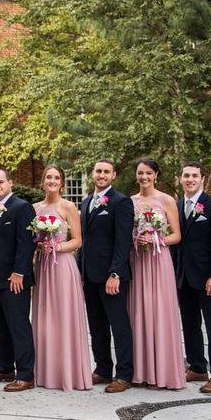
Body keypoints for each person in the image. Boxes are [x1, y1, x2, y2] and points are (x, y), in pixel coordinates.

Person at [31, 165, 92, 391]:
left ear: (62, 182)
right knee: (45, 319)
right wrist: (40, 246)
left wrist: (56, 246)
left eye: (56, 177)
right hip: (43, 268)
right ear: (42, 181)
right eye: (48, 177)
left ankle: (68, 373)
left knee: (64, 316)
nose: (52, 180)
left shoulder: (68, 207)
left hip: (63, 266)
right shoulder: (35, 208)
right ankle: (46, 372)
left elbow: (77, 240)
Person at [78, 159, 135, 393]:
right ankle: (102, 369)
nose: (101, 175)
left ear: (113, 175)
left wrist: (115, 273)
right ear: (93, 174)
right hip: (89, 275)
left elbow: (123, 242)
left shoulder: (121, 202)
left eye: (106, 172)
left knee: (119, 325)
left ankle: (124, 374)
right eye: (98, 171)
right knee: (97, 325)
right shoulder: (86, 201)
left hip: (111, 276)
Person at [174, 161, 211, 393]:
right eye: (186, 175)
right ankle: (197, 366)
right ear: (180, 179)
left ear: (202, 179)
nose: (190, 179)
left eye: (194, 176)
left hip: (208, 278)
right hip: (184, 276)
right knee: (189, 323)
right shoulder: (176, 207)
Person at [128, 158, 185, 390]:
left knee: (160, 312)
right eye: (140, 173)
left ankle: (162, 373)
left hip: (159, 262)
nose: (144, 177)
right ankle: (141, 372)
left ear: (156, 175)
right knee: (139, 313)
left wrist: (157, 238)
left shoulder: (166, 200)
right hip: (138, 261)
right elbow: (126, 231)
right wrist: (136, 238)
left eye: (148, 173)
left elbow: (177, 235)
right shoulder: (130, 202)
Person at [0, 168, 37, 392]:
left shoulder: (22, 208)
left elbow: (27, 242)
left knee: (19, 325)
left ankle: (25, 373)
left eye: (0, 182)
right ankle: (4, 366)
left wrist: (19, 272)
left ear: (10, 183)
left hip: (14, 278)